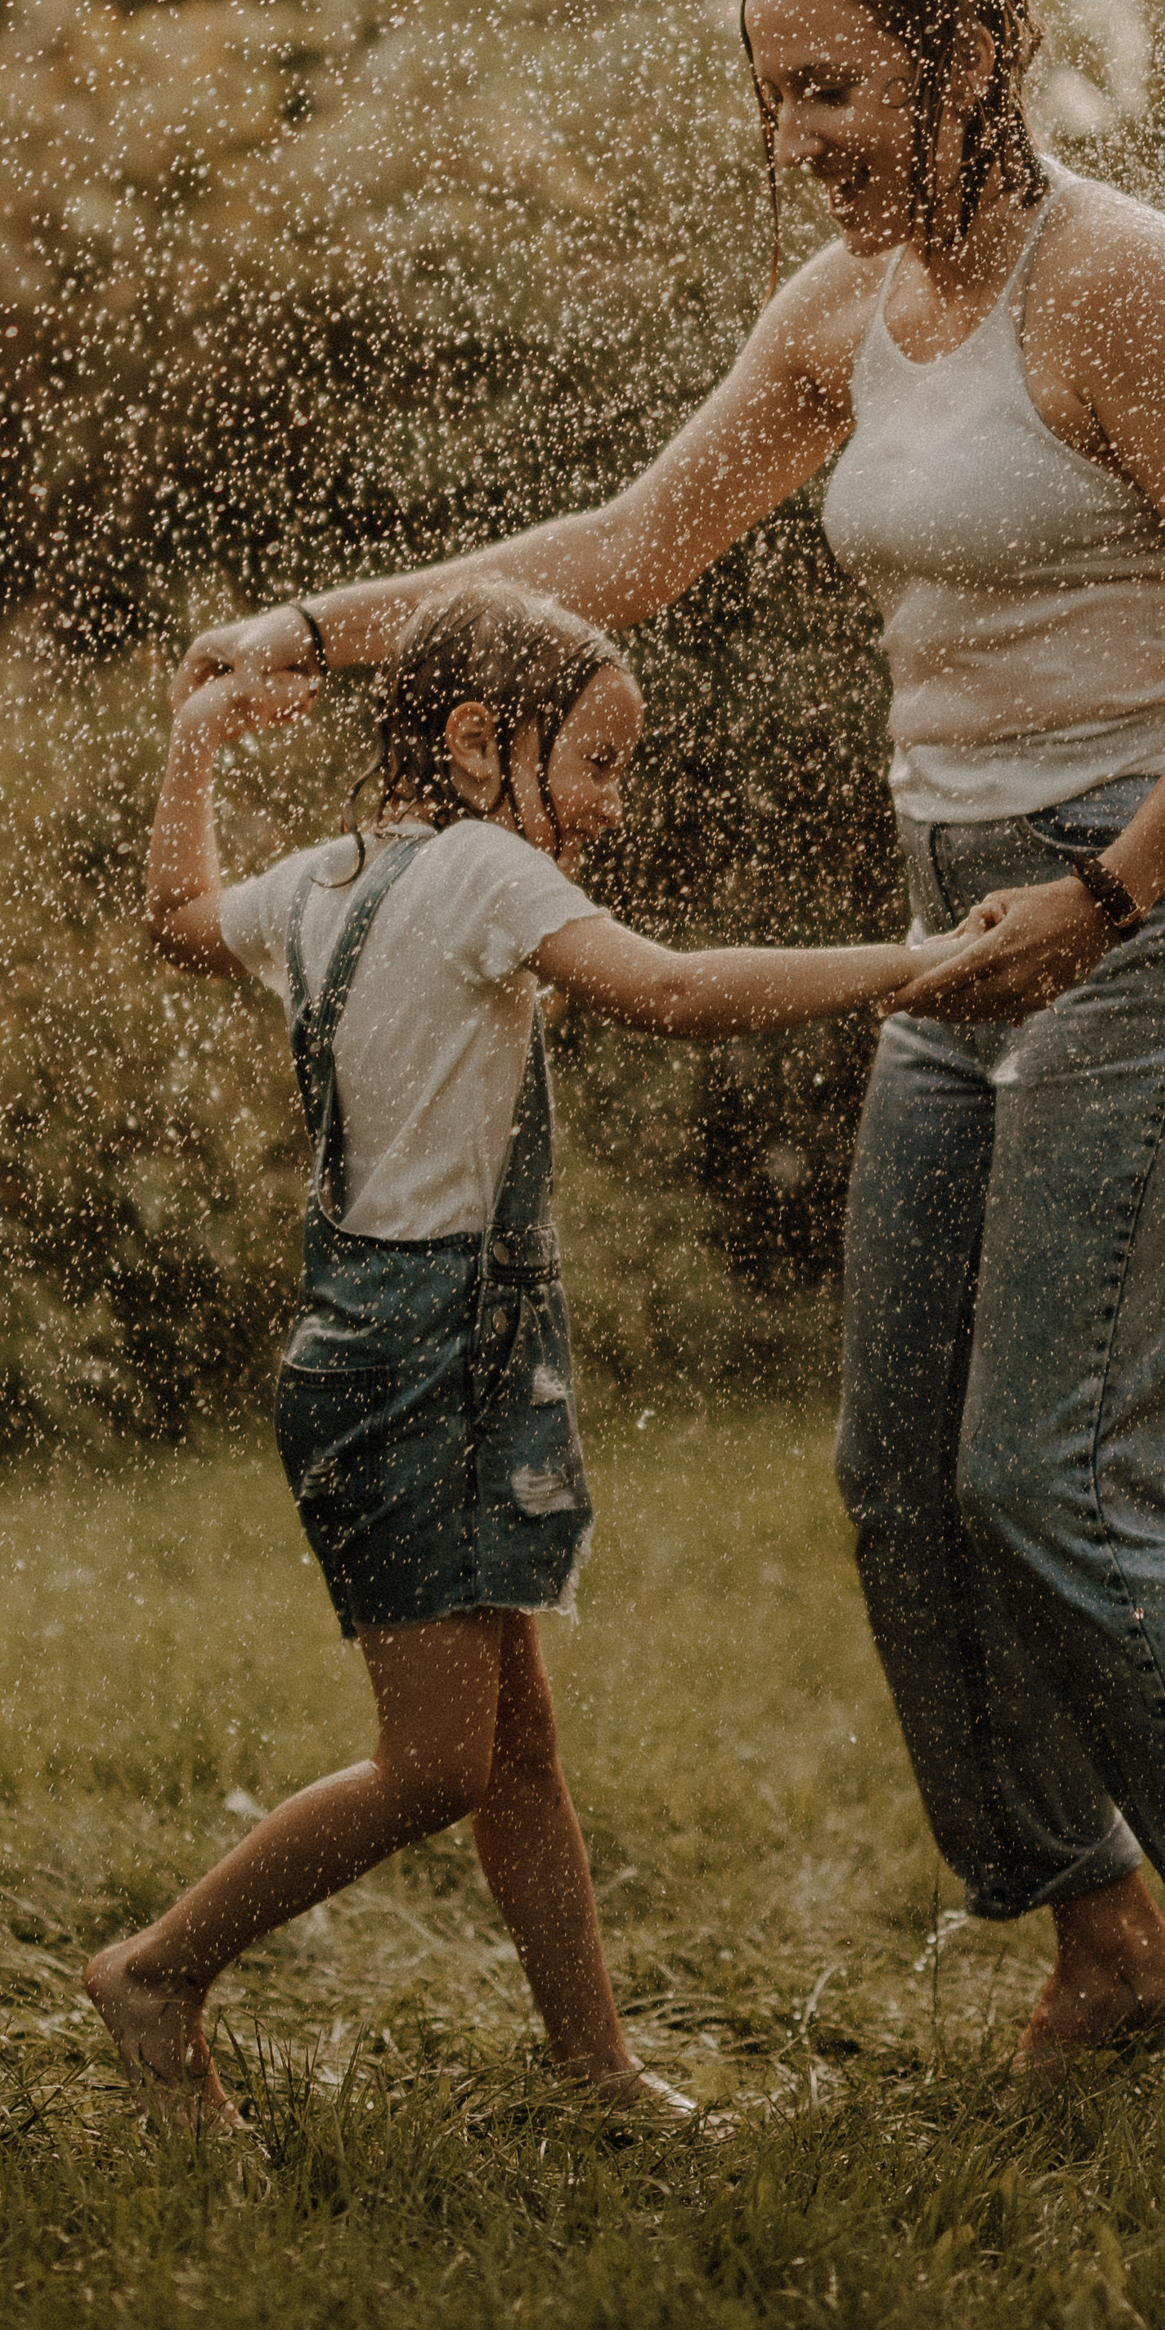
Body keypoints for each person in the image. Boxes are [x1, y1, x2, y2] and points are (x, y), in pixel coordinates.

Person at [181, 0, 1165, 2098]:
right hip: (967, 908)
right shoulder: (841, 312)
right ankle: (1099, 1935)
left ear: (972, 53)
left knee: (1051, 1471)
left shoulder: (1120, 285)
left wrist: (1114, 890)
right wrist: (319, 627)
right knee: (890, 1472)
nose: (799, 139)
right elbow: (628, 552)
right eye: (772, 97)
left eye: (833, 86)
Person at [86, 575, 924, 2129]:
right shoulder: (480, 872)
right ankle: (158, 1973)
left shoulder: (333, 881)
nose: (608, 804)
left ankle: (593, 2072)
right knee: (435, 1766)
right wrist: (907, 966)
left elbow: (181, 921)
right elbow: (670, 994)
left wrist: (196, 743)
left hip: (409, 1349)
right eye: (595, 761)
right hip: (414, 1359)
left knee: (517, 1743)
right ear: (479, 744)